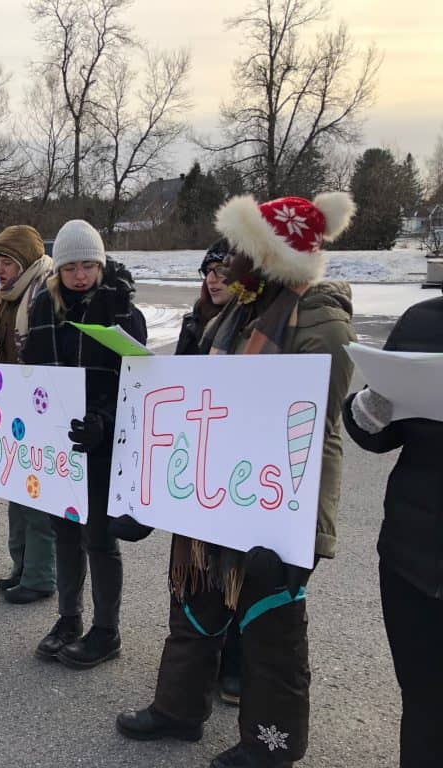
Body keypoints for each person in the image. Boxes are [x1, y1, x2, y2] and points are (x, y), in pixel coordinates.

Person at [116, 192, 357, 768]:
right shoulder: (238, 312)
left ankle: (270, 745)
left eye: (244, 252)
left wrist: (298, 533)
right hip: (217, 493)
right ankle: (178, 710)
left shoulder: (319, 319)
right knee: (195, 598)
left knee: (269, 625)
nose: (230, 264)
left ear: (274, 258)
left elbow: (312, 422)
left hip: (275, 502)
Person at [20, 220, 146, 667]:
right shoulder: (42, 309)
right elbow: (27, 373)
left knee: (98, 536)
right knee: (65, 532)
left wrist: (104, 421)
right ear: (60, 270)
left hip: (102, 442)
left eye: (88, 265)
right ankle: (68, 617)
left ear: (101, 263)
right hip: (58, 443)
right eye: (71, 266)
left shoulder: (122, 310)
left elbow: (137, 382)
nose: (80, 275)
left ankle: (106, 629)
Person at [342, 289, 442, 767]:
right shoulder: (422, 321)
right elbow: (377, 435)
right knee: (424, 707)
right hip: (412, 559)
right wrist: (370, 410)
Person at [175, 237, 243, 707]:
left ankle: (235, 664)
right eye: (209, 271)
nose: (213, 279)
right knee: (198, 565)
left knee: (234, 567)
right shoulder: (194, 322)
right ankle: (200, 663)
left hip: (234, 460)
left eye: (223, 271)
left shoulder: (249, 327)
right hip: (196, 456)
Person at [0, 225, 57, 605]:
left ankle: (41, 574)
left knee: (37, 496)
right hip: (11, 402)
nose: (0, 269)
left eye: (7, 261)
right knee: (15, 489)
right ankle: (21, 566)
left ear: (24, 262)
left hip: (41, 404)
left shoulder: (46, 291)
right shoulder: (3, 296)